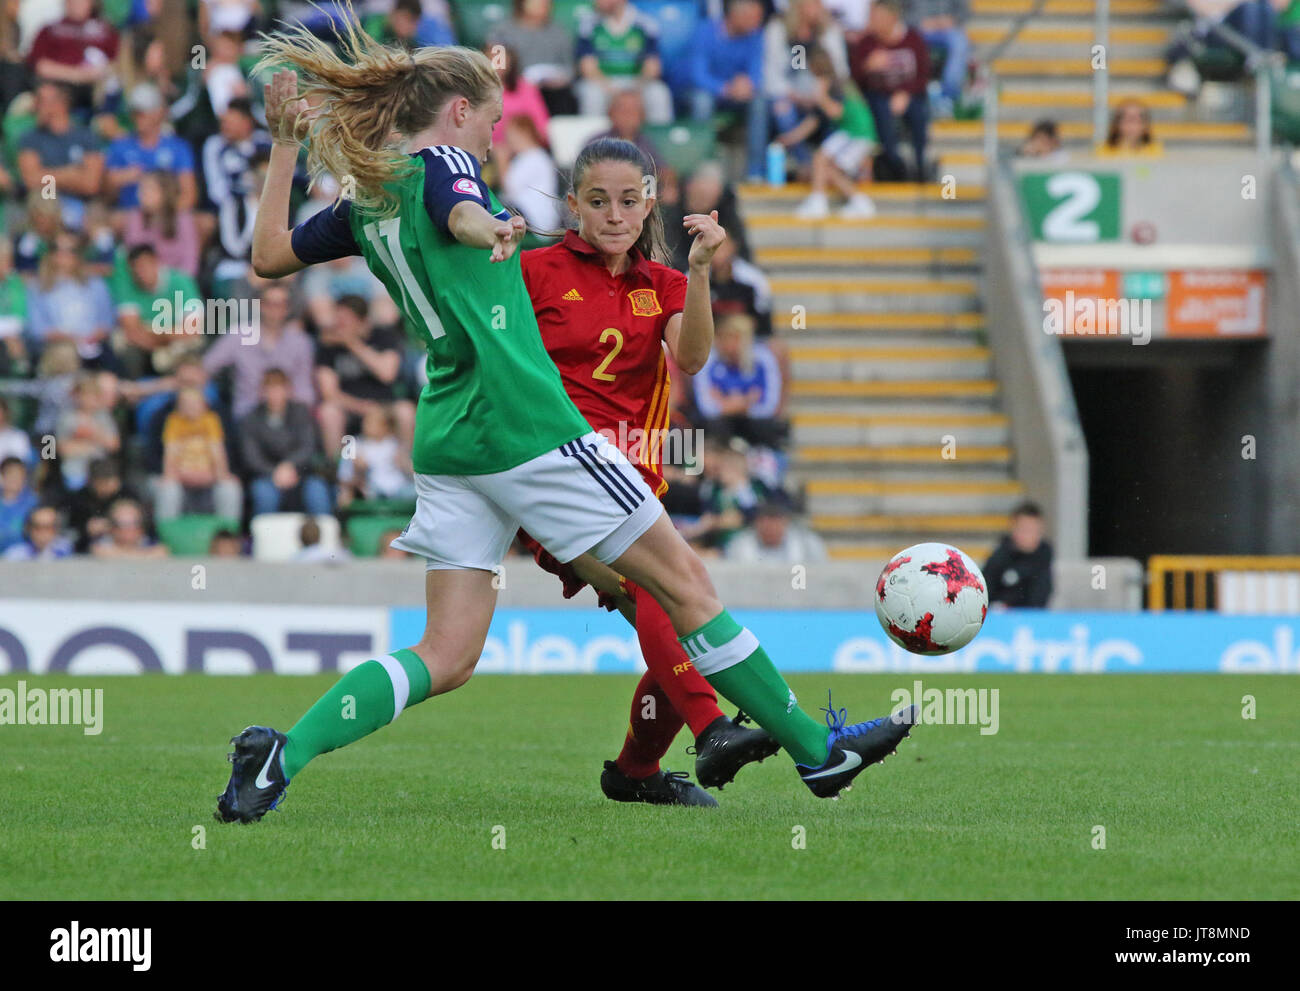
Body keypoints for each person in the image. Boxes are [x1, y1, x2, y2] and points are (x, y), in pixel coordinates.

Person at [215, 24, 915, 825]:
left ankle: (278, 755)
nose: (494, 130)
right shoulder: (447, 165)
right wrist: (489, 226)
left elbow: (268, 256)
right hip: (527, 426)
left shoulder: (369, 196)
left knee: (446, 655)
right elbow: (461, 211)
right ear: (454, 111)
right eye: (489, 117)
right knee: (685, 584)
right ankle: (819, 754)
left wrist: (282, 146)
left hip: (449, 436)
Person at [519, 136, 780, 804]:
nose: (613, 215)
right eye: (598, 201)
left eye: (629, 201)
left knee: (676, 613)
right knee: (664, 601)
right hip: (555, 482)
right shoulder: (534, 271)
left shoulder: (662, 283)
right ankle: (713, 728)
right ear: (573, 205)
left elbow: (691, 360)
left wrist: (699, 272)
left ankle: (635, 772)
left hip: (635, 488)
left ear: (649, 205)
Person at [783, 50, 877, 220]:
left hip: (855, 132)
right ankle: (858, 202)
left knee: (821, 158)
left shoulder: (833, 84)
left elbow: (836, 112)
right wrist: (791, 138)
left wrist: (821, 96)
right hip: (854, 132)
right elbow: (815, 119)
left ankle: (820, 203)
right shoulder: (836, 82)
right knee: (826, 167)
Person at [849, 0, 931, 182]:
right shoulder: (867, 43)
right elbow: (855, 80)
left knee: (918, 114)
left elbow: (923, 75)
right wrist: (867, 67)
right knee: (881, 108)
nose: (873, 21)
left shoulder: (913, 39)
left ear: (892, 18)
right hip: (878, 96)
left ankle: (920, 163)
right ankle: (894, 163)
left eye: (878, 17)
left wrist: (905, 93)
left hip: (909, 95)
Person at [689, 0, 769, 182]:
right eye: (752, 18)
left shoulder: (756, 35)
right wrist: (724, 88)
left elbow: (757, 72)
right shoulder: (705, 32)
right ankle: (701, 166)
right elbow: (698, 74)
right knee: (701, 101)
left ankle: (755, 171)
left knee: (760, 102)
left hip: (739, 95)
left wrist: (748, 84)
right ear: (735, 15)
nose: (757, 22)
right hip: (712, 93)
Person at [240, 367, 333, 517]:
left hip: (301, 474)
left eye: (279, 389)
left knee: (318, 491)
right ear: (262, 391)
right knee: (264, 494)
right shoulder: (251, 419)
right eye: (270, 389)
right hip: (267, 476)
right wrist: (275, 472)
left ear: (288, 390)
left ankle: (324, 538)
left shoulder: (301, 412)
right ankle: (265, 540)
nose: (275, 394)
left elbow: (308, 447)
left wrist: (288, 465)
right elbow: (251, 457)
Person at [693, 311, 787, 448]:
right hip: (721, 422)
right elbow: (706, 407)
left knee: (768, 426)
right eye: (724, 338)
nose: (729, 344)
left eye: (735, 338)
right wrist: (743, 402)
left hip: (755, 422)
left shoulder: (763, 359)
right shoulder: (709, 360)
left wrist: (733, 404)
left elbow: (769, 405)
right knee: (710, 425)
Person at [574, 0, 674, 124]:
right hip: (603, 83)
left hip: (636, 82)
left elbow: (653, 67)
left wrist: (634, 90)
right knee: (592, 95)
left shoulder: (645, 23)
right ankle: (594, 141)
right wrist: (612, 90)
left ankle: (657, 141)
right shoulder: (588, 24)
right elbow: (587, 68)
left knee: (658, 93)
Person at [156, 387, 244, 520]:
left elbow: (218, 452)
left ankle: (228, 534)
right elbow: (170, 455)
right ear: (179, 406)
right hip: (181, 475)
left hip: (209, 475)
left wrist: (220, 474)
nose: (191, 407)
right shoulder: (173, 421)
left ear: (204, 405)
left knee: (230, 487)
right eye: (186, 404)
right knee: (168, 488)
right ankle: (165, 534)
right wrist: (177, 475)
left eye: (195, 403)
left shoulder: (211, 420)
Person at [904, 0, 971, 116]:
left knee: (960, 42)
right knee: (905, 43)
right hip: (917, 29)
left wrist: (951, 20)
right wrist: (920, 22)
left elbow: (965, 11)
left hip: (947, 30)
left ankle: (948, 97)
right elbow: (898, 11)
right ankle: (910, 93)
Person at [983, 502, 1054, 608]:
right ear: (1013, 528)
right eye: (1024, 530)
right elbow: (985, 591)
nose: (1028, 536)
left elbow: (1041, 594)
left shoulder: (1045, 555)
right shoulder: (1000, 556)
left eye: (1033, 531)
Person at [725, 493, 828, 563]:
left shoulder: (808, 545)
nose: (770, 525)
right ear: (757, 522)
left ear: (786, 521)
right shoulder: (739, 546)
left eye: (775, 518)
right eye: (766, 518)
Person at [90, 496, 169, 558]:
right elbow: (99, 551)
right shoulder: (102, 545)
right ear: (111, 528)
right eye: (121, 524)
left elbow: (161, 552)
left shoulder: (149, 543)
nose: (128, 529)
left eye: (134, 523)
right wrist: (144, 555)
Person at [2, 504, 75, 560]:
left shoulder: (66, 552)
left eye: (48, 527)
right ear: (28, 529)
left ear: (57, 529)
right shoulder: (14, 555)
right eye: (37, 527)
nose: (43, 533)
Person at [0, 455, 38, 552]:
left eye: (19, 475)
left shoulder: (33, 503)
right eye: (11, 475)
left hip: (23, 557)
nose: (15, 479)